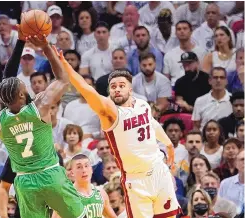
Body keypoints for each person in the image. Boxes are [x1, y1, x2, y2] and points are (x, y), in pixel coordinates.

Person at [58, 52, 180, 217]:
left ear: (130, 89)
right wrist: (67, 67)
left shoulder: (143, 105)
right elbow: (87, 90)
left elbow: (153, 124)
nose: (117, 89)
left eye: (121, 85)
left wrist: (169, 144)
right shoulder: (111, 113)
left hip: (159, 171)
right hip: (136, 180)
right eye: (113, 86)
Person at [0, 28, 86, 217]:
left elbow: (6, 81)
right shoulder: (39, 107)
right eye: (22, 84)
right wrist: (46, 48)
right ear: (20, 94)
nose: (24, 83)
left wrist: (20, 41)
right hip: (50, 174)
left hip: (25, 182)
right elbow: (63, 80)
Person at [52, 154, 116, 218]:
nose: (84, 170)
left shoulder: (101, 193)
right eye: (79, 167)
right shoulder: (66, 196)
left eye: (86, 166)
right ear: (72, 173)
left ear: (91, 169)